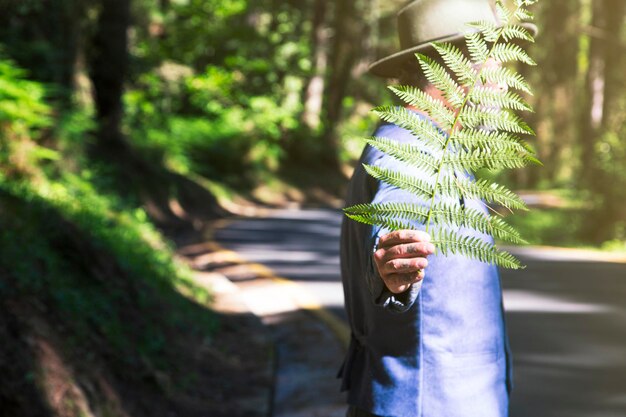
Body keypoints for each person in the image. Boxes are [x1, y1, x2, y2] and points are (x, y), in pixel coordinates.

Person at [338, 1, 537, 416]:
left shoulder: (414, 139)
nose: (505, 85)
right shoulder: (411, 150)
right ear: (450, 68)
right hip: (429, 403)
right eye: (497, 68)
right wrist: (392, 264)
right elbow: (397, 218)